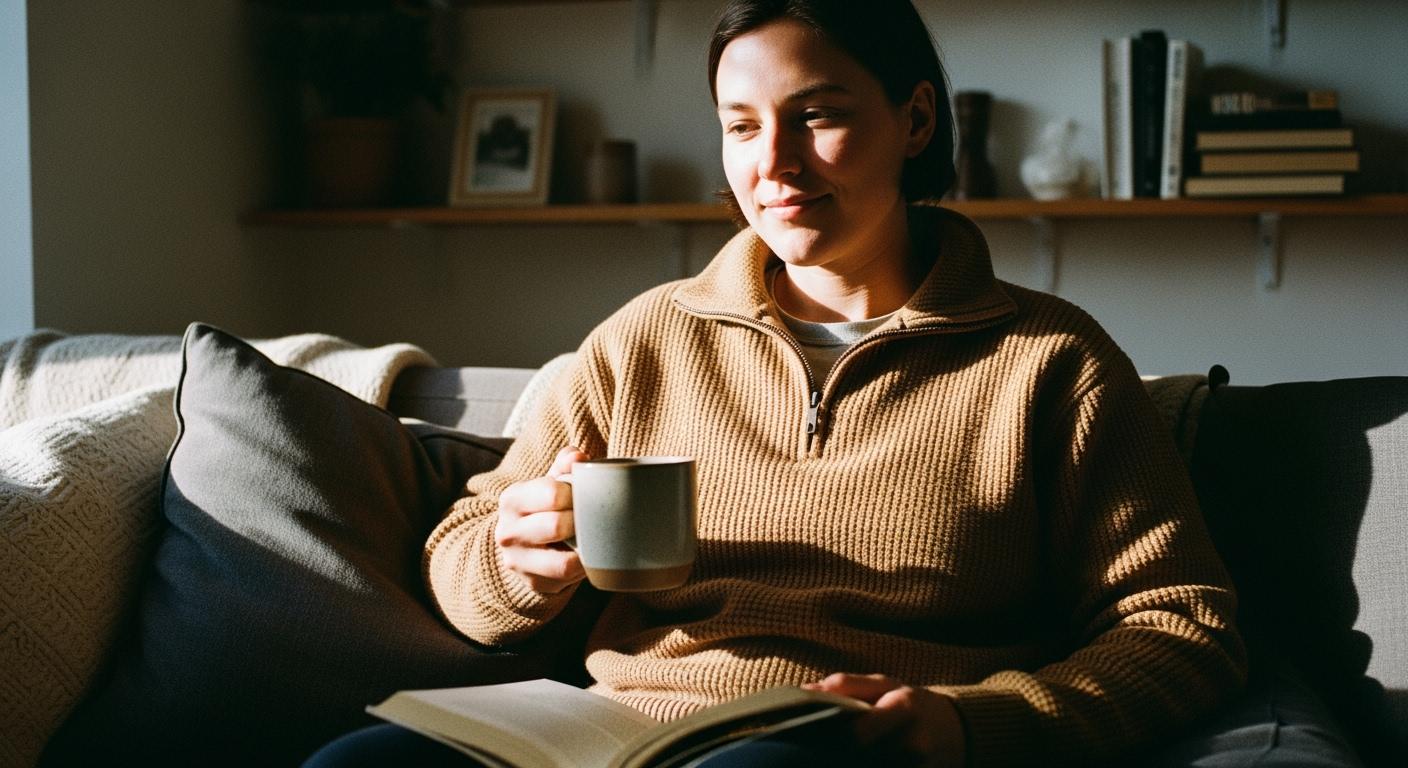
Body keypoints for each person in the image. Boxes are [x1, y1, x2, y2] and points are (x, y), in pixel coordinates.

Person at [306, 1, 1276, 765]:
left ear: (914, 119)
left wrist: (973, 725)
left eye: (815, 116)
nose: (770, 166)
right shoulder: (643, 338)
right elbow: (459, 559)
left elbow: (1180, 630)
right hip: (616, 735)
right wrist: (517, 560)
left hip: (846, 743)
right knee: (353, 763)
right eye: (741, 127)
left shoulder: (1049, 361)